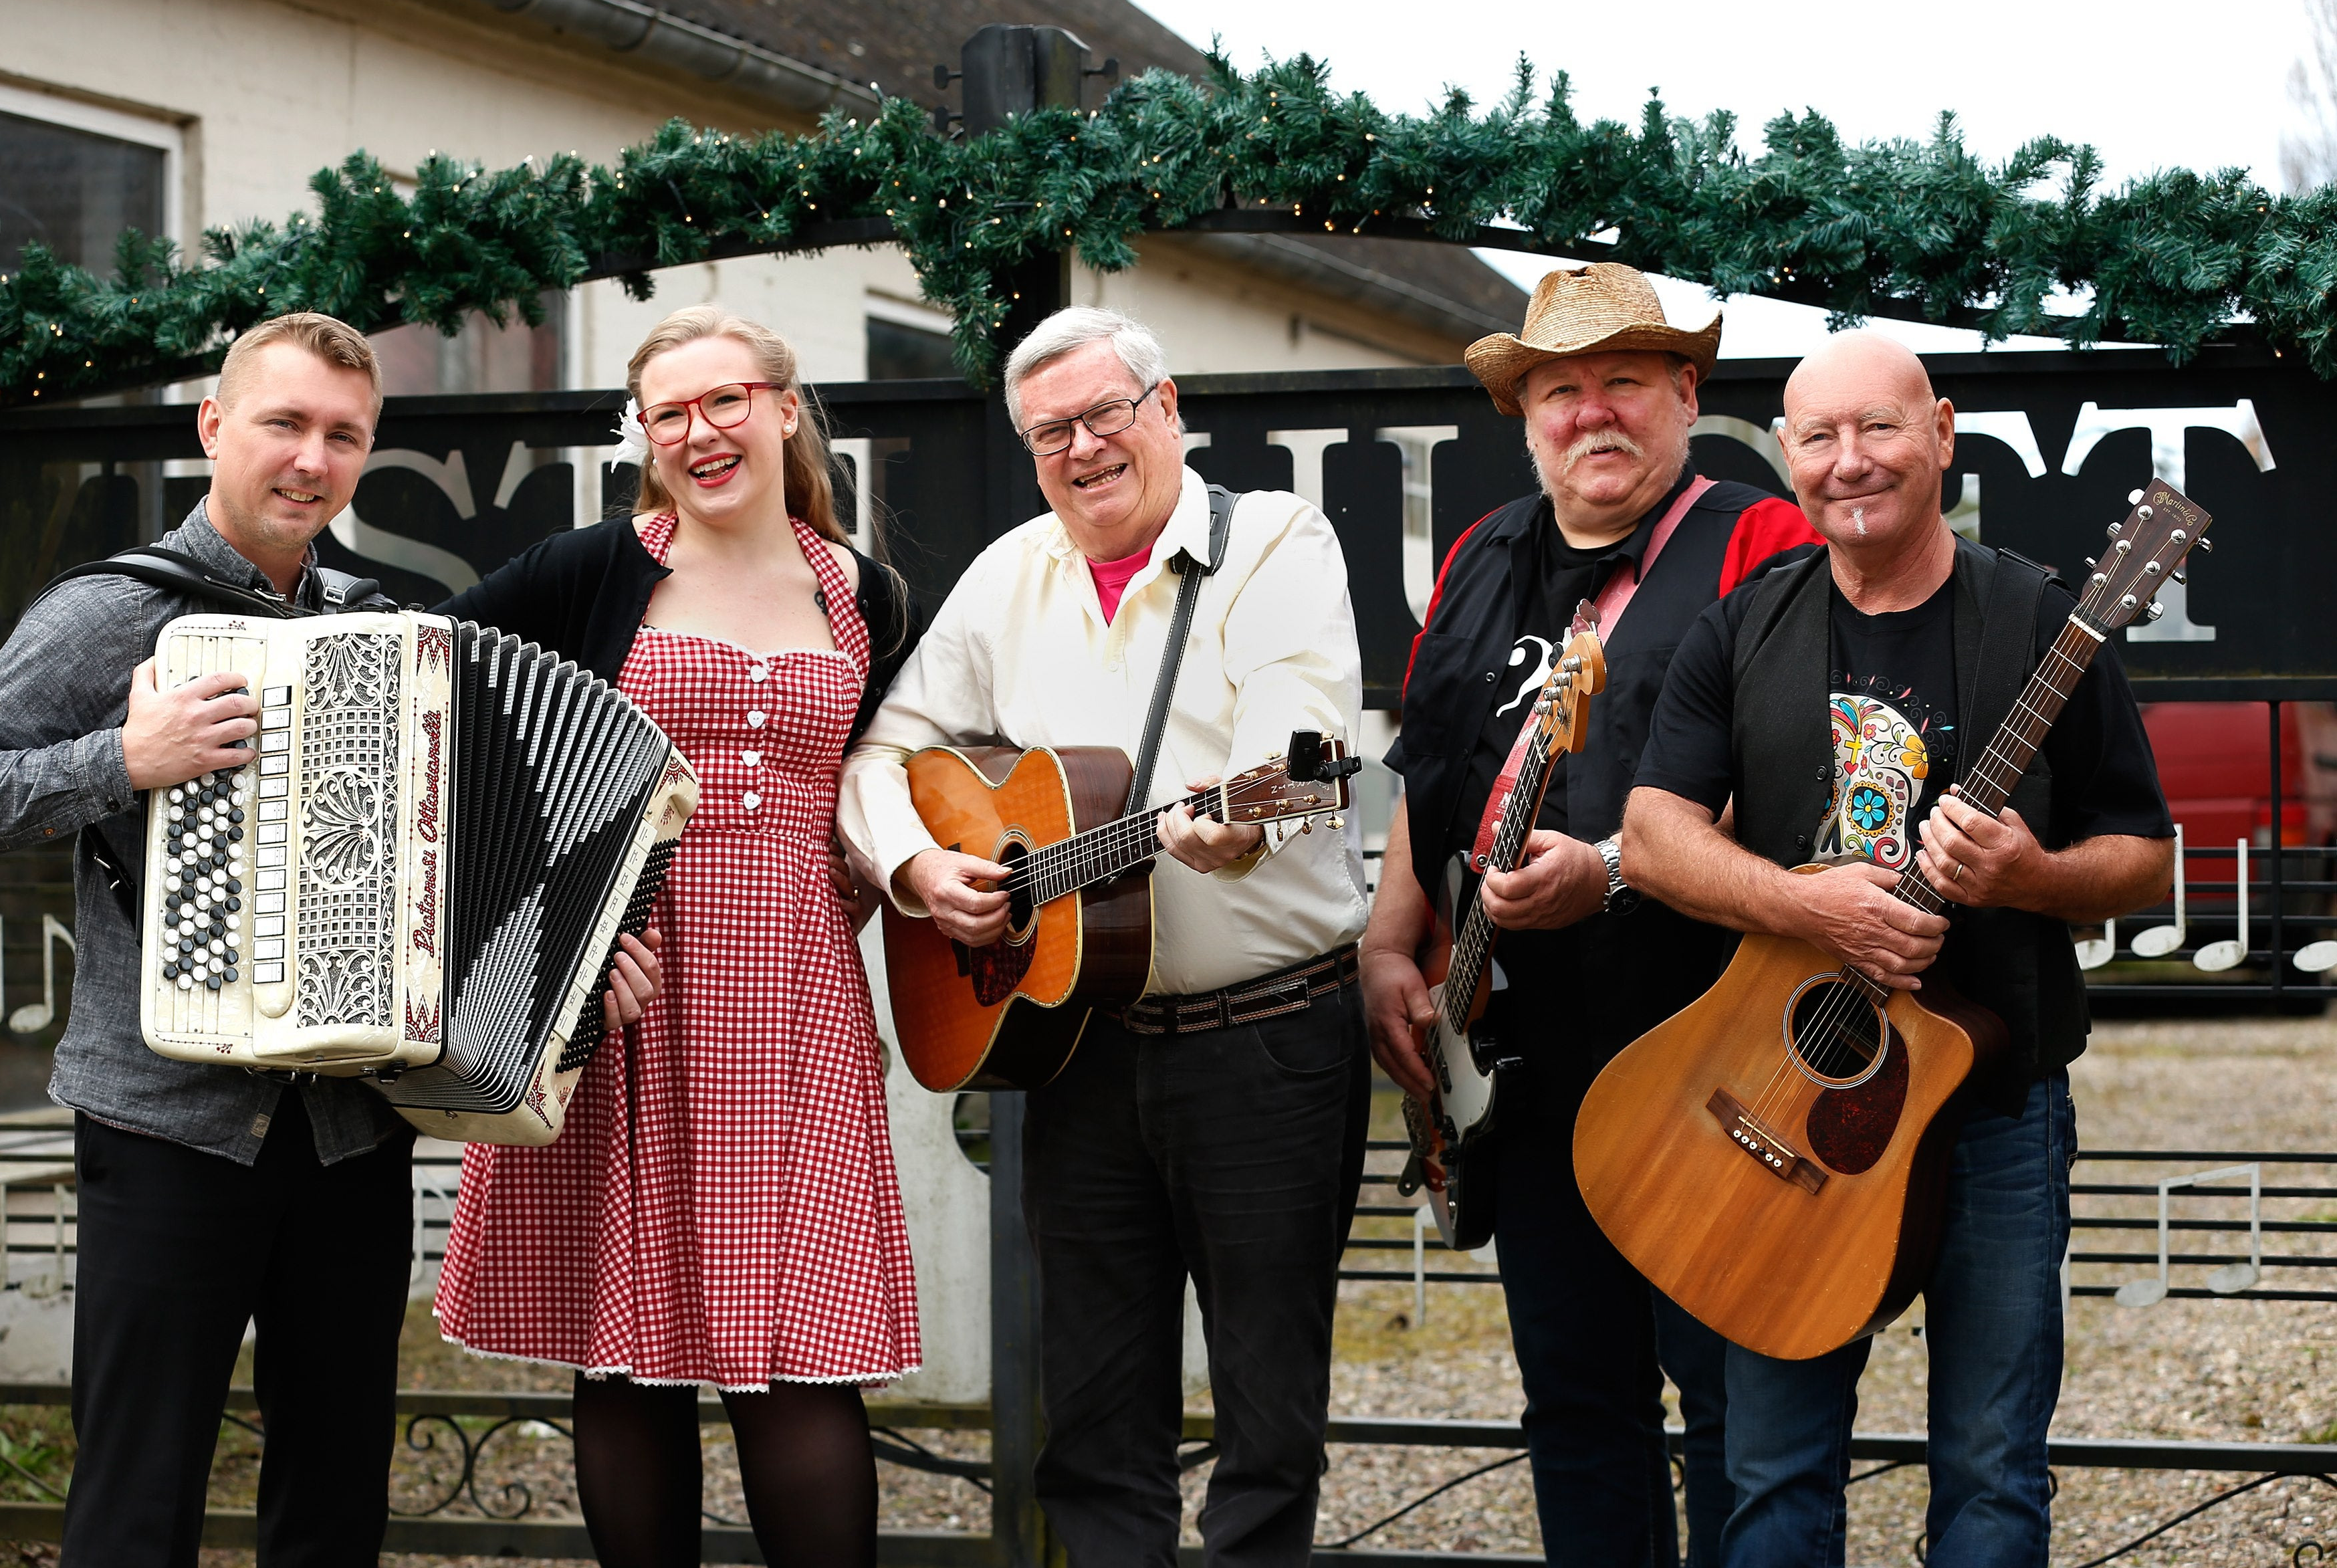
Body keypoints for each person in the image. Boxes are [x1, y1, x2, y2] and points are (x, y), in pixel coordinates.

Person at [0, 312, 661, 1568]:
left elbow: (466, 861)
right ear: (214, 427)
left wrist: (577, 969)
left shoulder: (384, 625)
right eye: (284, 424)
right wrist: (123, 759)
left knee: (335, 1492)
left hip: (351, 1129)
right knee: (139, 1491)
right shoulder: (115, 612)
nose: (312, 458)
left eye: (343, 436)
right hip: (168, 1121)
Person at [1624, 332, 2174, 1562]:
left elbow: (2146, 857)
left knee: (1991, 1472)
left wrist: (2032, 876)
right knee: (1771, 1473)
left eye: (1879, 427)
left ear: (1943, 433)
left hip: (1992, 1113)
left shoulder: (2044, 622)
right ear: (1788, 458)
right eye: (1819, 438)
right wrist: (1807, 906)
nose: (1850, 462)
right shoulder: (1745, 625)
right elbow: (1653, 837)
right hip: (1785, 1097)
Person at [837, 306, 1369, 1567]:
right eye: (1050, 433)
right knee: (1091, 1417)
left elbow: (1305, 753)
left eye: (1104, 415)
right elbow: (881, 754)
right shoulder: (1010, 573)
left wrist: (1244, 824)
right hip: (1077, 1048)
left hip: (1265, 1044)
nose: (1081, 449)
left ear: (1166, 409)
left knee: (1268, 1416)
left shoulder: (1275, 542)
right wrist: (922, 869)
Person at [431, 305, 921, 1568]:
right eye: (668, 414)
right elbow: (434, 711)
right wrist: (552, 933)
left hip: (798, 1007)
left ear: (784, 407)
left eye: (725, 401)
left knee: (804, 1353)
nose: (700, 432)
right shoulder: (591, 570)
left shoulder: (867, 595)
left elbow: (890, 786)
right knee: (628, 1354)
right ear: (644, 436)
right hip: (625, 997)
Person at [1358, 262, 1819, 1567]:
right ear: (1526, 415)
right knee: (1575, 1402)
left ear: (1687, 396)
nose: (1592, 411)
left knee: (1732, 1408)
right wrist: (1387, 945)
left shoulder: (1763, 544)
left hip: (1704, 1052)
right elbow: (1433, 769)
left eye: (1625, 380)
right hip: (1522, 1061)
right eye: (1562, 389)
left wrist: (1614, 865)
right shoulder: (1479, 554)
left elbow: (1799, 794)